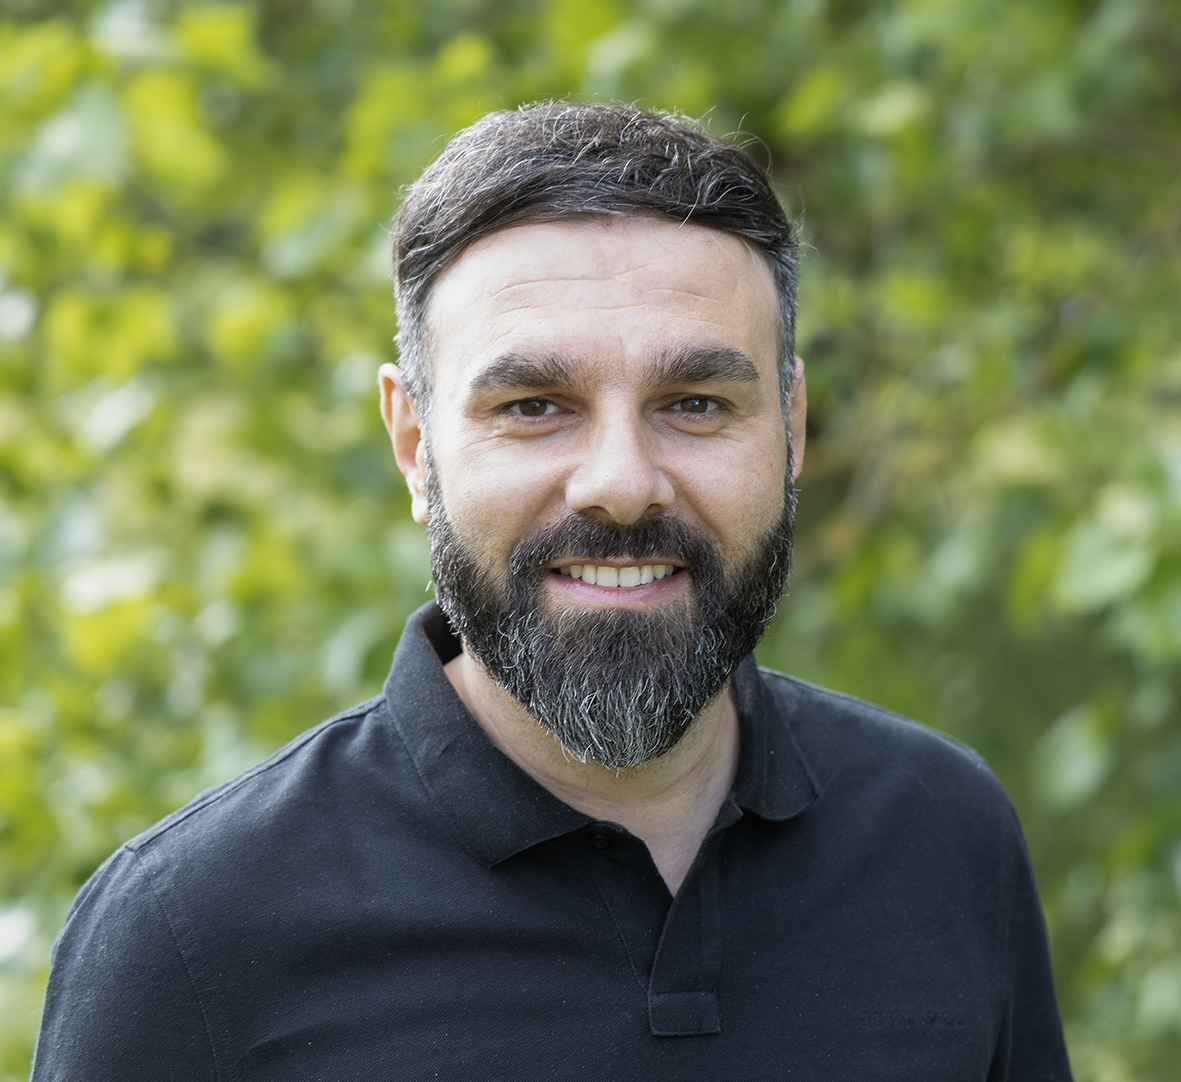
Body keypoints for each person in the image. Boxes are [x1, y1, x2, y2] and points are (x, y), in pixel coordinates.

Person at [31, 102, 1073, 1080]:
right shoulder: (190, 934)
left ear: (790, 429)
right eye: (533, 405)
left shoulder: (941, 832)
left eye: (695, 402)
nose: (619, 482)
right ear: (413, 443)